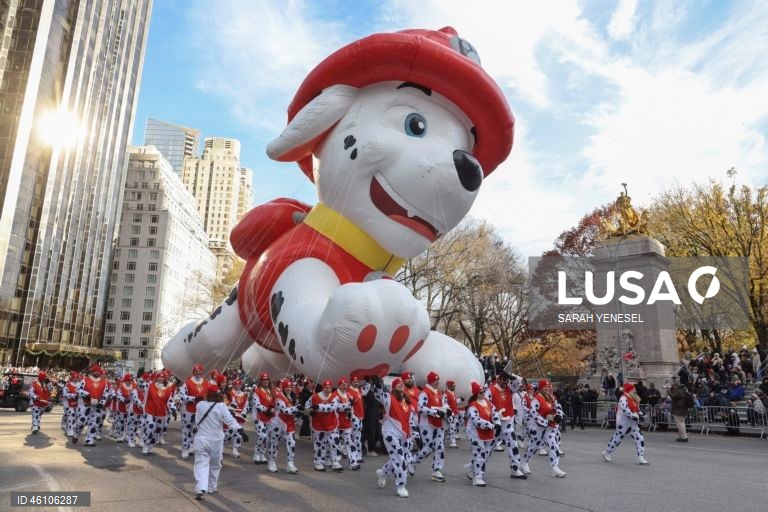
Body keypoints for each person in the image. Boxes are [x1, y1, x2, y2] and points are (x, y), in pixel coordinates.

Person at [193, 388, 249, 500]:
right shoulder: (221, 406)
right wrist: (240, 430)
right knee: (215, 464)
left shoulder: (200, 405)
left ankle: (200, 488)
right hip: (216, 441)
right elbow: (229, 420)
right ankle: (211, 486)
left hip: (201, 439)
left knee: (201, 463)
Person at [373, 376, 412, 498]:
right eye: (398, 383)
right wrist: (378, 386)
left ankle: (383, 472)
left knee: (404, 458)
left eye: (402, 383)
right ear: (394, 387)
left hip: (404, 434)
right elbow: (379, 396)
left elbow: (410, 419)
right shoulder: (389, 397)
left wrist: (414, 433)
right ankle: (401, 486)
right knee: (400, 458)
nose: (401, 385)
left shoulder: (406, 401)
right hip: (390, 433)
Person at [522, 380, 566, 478]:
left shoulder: (551, 397)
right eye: (545, 386)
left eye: (548, 386)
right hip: (538, 427)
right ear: (541, 388)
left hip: (549, 427)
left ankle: (555, 467)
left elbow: (557, 408)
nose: (547, 388)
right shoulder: (536, 399)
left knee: (553, 445)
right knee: (533, 447)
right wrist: (544, 421)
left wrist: (559, 415)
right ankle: (524, 462)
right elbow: (533, 412)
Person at [486, 372, 526, 479]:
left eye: (507, 380)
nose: (506, 382)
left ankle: (515, 469)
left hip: (508, 422)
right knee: (487, 447)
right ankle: (475, 469)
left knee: (513, 444)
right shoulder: (490, 390)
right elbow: (486, 405)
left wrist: (511, 376)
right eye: (505, 380)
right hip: (496, 424)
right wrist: (495, 417)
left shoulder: (509, 389)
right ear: (499, 380)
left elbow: (519, 382)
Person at [411, 371, 449, 482]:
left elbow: (443, 404)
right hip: (426, 423)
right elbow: (420, 407)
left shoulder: (438, 392)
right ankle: (412, 462)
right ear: (431, 381)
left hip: (438, 422)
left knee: (440, 447)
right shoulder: (424, 393)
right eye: (436, 380)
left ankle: (436, 470)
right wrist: (434, 412)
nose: (438, 382)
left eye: (438, 380)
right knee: (428, 447)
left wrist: (448, 410)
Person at [464, 381, 500, 487]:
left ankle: (471, 467)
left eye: (483, 391)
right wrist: (491, 425)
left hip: (487, 431)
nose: (483, 393)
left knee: (486, 454)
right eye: (480, 392)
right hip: (475, 432)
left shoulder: (487, 402)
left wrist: (497, 423)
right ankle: (477, 478)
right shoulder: (472, 406)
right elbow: (476, 420)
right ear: (476, 394)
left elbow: (495, 412)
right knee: (479, 454)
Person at [602, 383, 649, 465]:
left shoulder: (634, 398)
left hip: (633, 423)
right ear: (629, 390)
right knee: (617, 439)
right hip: (623, 423)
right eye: (633, 390)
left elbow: (637, 409)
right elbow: (625, 409)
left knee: (639, 438)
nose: (635, 391)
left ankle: (641, 457)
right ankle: (607, 452)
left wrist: (641, 415)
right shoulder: (623, 398)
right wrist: (632, 416)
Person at [306, 379, 346, 472]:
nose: (328, 389)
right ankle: (318, 463)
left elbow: (331, 407)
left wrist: (318, 407)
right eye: (326, 388)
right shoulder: (314, 397)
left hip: (332, 424)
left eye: (329, 388)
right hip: (319, 425)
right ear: (323, 388)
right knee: (319, 445)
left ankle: (335, 462)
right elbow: (306, 406)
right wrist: (309, 412)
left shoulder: (334, 397)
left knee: (335, 443)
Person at [141, 370, 177, 456]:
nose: (161, 379)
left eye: (162, 377)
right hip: (150, 412)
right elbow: (141, 384)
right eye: (159, 377)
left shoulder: (167, 389)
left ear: (165, 379)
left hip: (161, 414)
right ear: (157, 378)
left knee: (157, 431)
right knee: (150, 428)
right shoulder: (149, 386)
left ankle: (151, 448)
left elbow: (169, 401)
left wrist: (173, 410)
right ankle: (145, 447)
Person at [178, 363, 210, 460]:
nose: (198, 373)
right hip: (189, 411)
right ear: (193, 372)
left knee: (198, 431)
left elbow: (210, 395)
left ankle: (193, 446)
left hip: (201, 411)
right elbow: (181, 394)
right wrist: (193, 399)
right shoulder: (188, 382)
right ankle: (185, 449)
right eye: (196, 371)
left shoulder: (206, 383)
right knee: (187, 430)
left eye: (200, 371)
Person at [269, 378, 300, 473]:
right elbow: (284, 410)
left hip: (289, 423)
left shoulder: (293, 396)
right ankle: (271, 462)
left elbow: (295, 408)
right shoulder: (279, 396)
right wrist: (297, 408)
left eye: (290, 387)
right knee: (274, 443)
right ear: (283, 387)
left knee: (292, 443)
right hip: (278, 422)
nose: (289, 389)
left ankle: (290, 463)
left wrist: (300, 411)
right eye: (287, 387)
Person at [334, 377, 362, 470]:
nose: (345, 386)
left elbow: (351, 409)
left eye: (346, 385)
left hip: (347, 423)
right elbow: (336, 407)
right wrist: (346, 406)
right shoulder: (335, 395)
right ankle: (335, 462)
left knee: (349, 442)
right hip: (336, 423)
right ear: (339, 385)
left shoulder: (348, 395)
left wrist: (353, 418)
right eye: (343, 385)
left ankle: (353, 462)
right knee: (335, 443)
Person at [250, 372, 275, 464]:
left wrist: (272, 409)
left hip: (269, 417)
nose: (265, 381)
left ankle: (262, 454)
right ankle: (256, 453)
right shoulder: (257, 391)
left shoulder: (271, 391)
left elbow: (274, 402)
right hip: (258, 416)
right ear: (261, 381)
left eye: (267, 379)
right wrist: (266, 409)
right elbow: (257, 404)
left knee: (267, 437)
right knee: (262, 435)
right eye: (263, 379)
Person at [224, 378, 248, 458]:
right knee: (229, 433)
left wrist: (244, 413)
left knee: (238, 434)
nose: (237, 386)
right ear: (233, 385)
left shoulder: (244, 395)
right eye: (235, 384)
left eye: (238, 385)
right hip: (231, 416)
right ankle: (223, 444)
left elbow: (246, 405)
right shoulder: (230, 393)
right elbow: (228, 403)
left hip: (240, 417)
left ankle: (235, 450)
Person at [113, 373, 135, 443]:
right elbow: (118, 395)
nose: (129, 382)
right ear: (125, 380)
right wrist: (124, 399)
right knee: (121, 422)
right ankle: (119, 435)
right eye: (128, 381)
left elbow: (136, 394)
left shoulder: (134, 385)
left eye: (130, 381)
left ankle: (127, 436)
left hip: (130, 407)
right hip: (121, 406)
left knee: (129, 422)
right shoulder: (121, 386)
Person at [445, 380, 461, 448]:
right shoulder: (446, 394)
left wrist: (460, 400)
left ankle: (442, 440)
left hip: (454, 413)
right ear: (449, 386)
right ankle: (453, 442)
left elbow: (454, 402)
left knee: (450, 428)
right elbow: (444, 403)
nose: (454, 387)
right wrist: (448, 410)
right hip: (449, 414)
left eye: (454, 385)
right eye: (453, 386)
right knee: (452, 427)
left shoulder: (452, 393)